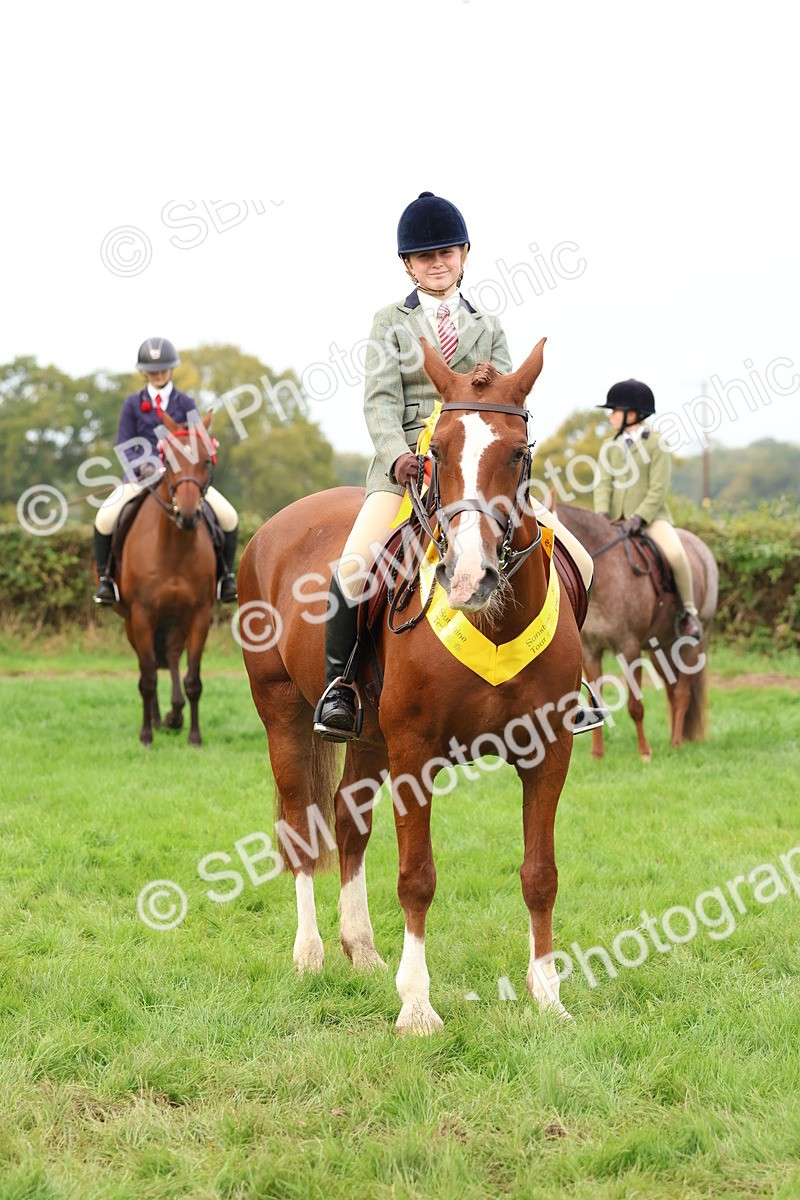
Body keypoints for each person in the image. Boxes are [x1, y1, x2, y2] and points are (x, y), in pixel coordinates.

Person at [314, 192, 599, 741]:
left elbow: (510, 398)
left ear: (465, 254)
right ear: (407, 265)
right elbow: (378, 399)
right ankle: (341, 687)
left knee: (580, 561)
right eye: (424, 257)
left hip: (478, 472)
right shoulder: (388, 322)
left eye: (445, 252)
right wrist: (398, 453)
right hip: (406, 470)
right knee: (351, 568)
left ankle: (570, 683)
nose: (436, 263)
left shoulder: (487, 323)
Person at [92, 337, 239, 605]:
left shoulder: (185, 402)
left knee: (228, 516)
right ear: (144, 372)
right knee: (105, 517)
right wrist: (143, 465)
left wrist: (183, 465)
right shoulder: (133, 404)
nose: (158, 374)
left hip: (184, 477)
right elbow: (125, 444)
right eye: (152, 370)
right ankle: (106, 582)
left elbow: (197, 441)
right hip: (141, 478)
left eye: (162, 369)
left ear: (171, 369)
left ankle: (225, 578)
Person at [594, 378, 703, 641]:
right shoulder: (609, 446)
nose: (610, 417)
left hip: (651, 519)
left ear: (631, 415)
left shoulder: (656, 444)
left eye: (614, 411)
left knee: (677, 554)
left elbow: (658, 488)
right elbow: (602, 484)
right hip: (614, 521)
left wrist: (639, 517)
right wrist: (600, 516)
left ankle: (688, 612)